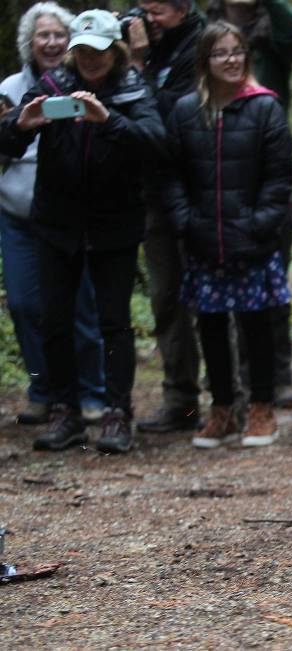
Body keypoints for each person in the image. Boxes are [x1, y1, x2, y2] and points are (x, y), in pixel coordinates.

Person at [0, 9, 165, 452]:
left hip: (115, 226)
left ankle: (116, 414)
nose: (89, 59)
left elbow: (156, 145)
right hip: (57, 224)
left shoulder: (132, 89)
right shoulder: (52, 84)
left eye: (97, 51)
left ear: (115, 50)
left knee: (113, 324)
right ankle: (64, 410)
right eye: (81, 51)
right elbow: (4, 139)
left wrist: (107, 120)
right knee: (54, 321)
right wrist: (20, 124)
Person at [164, 21, 292, 448]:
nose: (231, 59)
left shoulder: (265, 107)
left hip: (252, 238)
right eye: (221, 53)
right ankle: (221, 408)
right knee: (213, 327)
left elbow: (281, 178)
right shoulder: (186, 111)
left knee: (256, 325)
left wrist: (259, 224)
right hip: (204, 239)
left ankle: (261, 408)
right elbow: (172, 176)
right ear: (205, 60)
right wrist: (186, 222)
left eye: (237, 51)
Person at [0, 1, 105, 426]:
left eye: (58, 35)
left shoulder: (77, 83)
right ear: (29, 41)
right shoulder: (9, 87)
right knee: (25, 305)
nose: (50, 42)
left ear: (71, 42)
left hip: (66, 213)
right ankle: (43, 388)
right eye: (42, 35)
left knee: (81, 307)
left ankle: (92, 390)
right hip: (16, 213)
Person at [206, 0, 292, 410]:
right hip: (217, 181)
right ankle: (232, 381)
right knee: (217, 293)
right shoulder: (207, 24)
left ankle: (277, 375)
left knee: (271, 285)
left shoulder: (273, 33)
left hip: (267, 178)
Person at [126, 0, 207, 434]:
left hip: (202, 192)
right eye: (143, 9)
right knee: (166, 298)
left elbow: (165, 119)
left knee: (213, 299)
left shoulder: (202, 47)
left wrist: (137, 64)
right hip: (154, 194)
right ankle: (181, 402)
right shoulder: (134, 44)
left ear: (183, 9)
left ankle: (234, 399)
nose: (147, 20)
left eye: (157, 11)